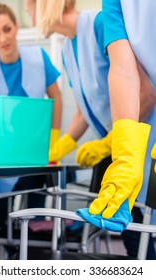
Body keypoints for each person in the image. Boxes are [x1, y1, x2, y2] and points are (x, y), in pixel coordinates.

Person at [26, 0, 156, 259]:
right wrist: (60, 147)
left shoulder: (97, 25)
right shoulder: (66, 49)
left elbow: (146, 92)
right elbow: (82, 110)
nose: (28, 13)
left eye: (29, 5)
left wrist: (110, 143)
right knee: (134, 235)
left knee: (138, 236)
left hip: (141, 138)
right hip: (121, 146)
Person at [0, 2, 62, 224]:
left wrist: (54, 141)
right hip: (0, 157)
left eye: (7, 29)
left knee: (33, 219)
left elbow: (56, 99)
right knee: (2, 219)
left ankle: (32, 256)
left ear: (17, 26)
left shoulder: (39, 57)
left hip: (34, 153)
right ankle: (7, 256)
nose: (2, 39)